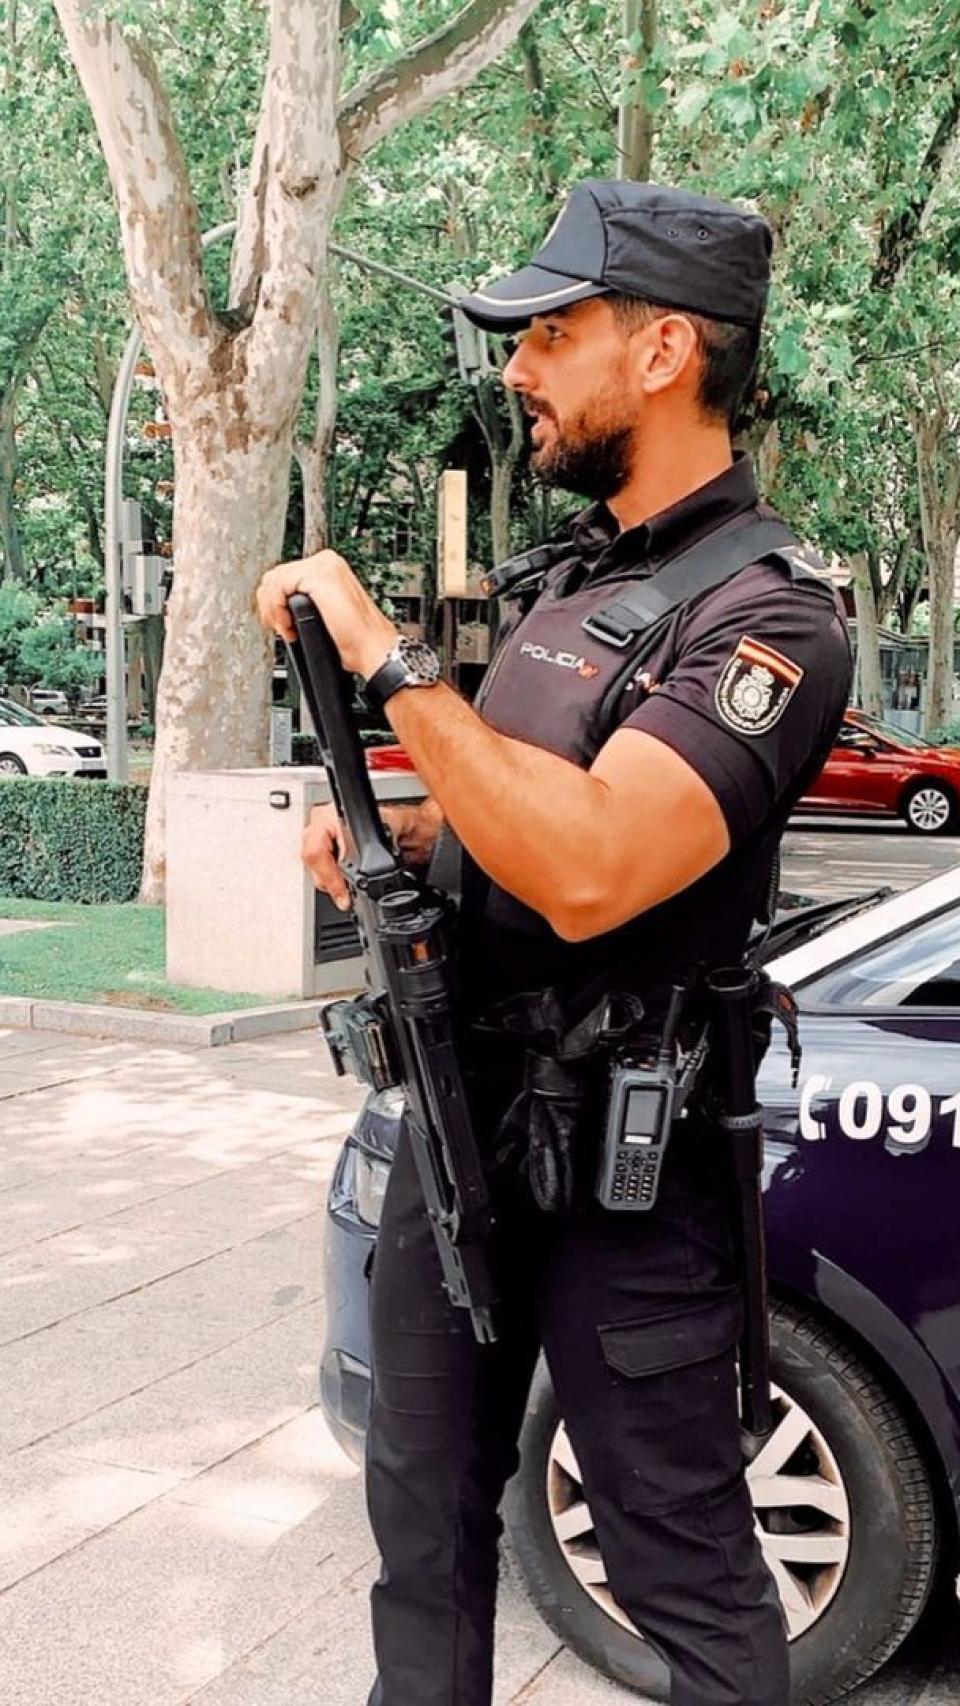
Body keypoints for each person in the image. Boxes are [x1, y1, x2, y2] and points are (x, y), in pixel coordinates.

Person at [257, 180, 852, 1706]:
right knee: (425, 1538)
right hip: (465, 1144)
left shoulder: (768, 622)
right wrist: (396, 860)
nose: (515, 366)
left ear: (662, 350)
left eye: (549, 332)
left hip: (627, 1194)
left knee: (682, 1573)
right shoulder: (571, 584)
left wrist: (388, 656)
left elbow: (595, 867)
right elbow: (518, 834)